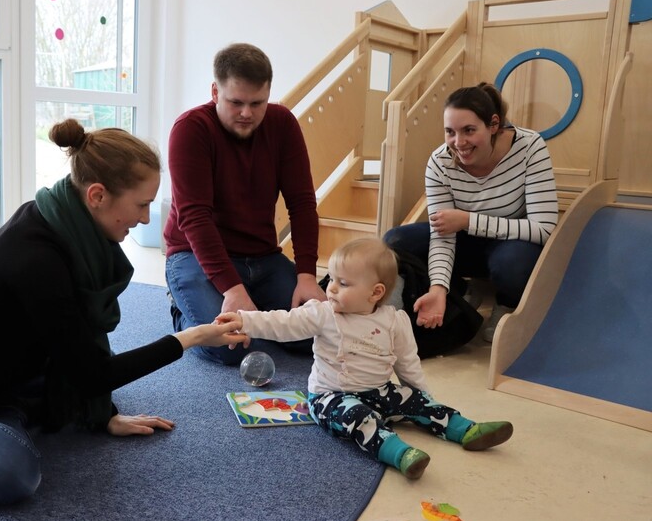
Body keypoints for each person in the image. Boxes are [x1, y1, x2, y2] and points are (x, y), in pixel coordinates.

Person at [0, 119, 247, 505]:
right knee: (13, 471)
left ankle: (12, 407)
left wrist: (100, 411)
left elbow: (81, 345)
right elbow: (93, 374)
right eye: (142, 204)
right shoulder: (36, 259)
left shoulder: (64, 223)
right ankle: (11, 412)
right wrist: (192, 335)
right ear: (97, 195)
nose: (146, 218)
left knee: (68, 374)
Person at [217, 237, 513, 480]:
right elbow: (282, 323)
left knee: (415, 399)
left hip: (378, 391)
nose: (331, 287)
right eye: (332, 278)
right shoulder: (323, 313)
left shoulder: (395, 321)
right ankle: (399, 453)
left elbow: (408, 363)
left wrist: (422, 398)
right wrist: (245, 321)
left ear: (376, 292)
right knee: (360, 419)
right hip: (329, 398)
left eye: (343, 283)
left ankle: (465, 429)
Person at [163, 42, 326, 365]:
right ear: (214, 91)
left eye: (257, 103)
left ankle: (249, 304)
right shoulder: (190, 130)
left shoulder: (283, 125)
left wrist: (307, 274)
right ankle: (183, 308)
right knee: (229, 347)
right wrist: (231, 288)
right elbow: (195, 218)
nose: (247, 113)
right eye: (235, 102)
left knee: (315, 333)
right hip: (194, 255)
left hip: (263, 257)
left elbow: (303, 204)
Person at [384, 82, 558, 342]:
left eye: (469, 130)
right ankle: (459, 291)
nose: (459, 142)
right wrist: (438, 287)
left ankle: (507, 305)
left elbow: (544, 229)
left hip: (510, 243)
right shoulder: (440, 162)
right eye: (450, 132)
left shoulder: (529, 147)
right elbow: (442, 235)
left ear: (494, 125)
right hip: (464, 240)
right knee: (395, 240)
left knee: (513, 263)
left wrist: (468, 220)